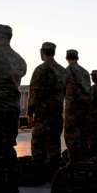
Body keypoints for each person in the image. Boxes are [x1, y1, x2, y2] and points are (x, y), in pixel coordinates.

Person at [0, 24, 27, 193]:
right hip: (11, 110)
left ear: (0, 36)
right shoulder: (19, 59)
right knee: (7, 147)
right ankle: (10, 185)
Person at [27, 42, 66, 179]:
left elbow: (34, 92)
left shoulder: (40, 69)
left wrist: (30, 113)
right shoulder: (62, 70)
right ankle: (54, 174)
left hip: (43, 114)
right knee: (54, 143)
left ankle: (39, 173)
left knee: (38, 144)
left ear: (42, 52)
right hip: (57, 114)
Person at [64, 49, 91, 162]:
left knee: (71, 136)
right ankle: (83, 160)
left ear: (66, 58)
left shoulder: (67, 71)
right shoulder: (85, 72)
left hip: (72, 108)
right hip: (84, 108)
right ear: (77, 58)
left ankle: (74, 162)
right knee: (83, 134)